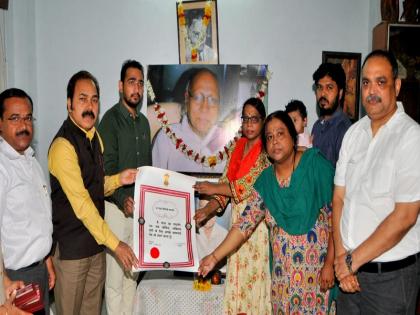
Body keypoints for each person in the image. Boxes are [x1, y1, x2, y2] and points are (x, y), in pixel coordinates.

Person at [199, 110, 336, 314]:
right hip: (282, 283)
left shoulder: (316, 166)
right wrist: (213, 257)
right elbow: (244, 226)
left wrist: (330, 264)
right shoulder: (265, 181)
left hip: (317, 279)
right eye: (269, 137)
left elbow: (336, 218)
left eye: (280, 134)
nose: (275, 142)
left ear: (293, 136)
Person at [332, 50, 420, 314]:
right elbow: (338, 199)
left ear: (397, 85)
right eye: (366, 82)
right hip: (349, 276)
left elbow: (405, 216)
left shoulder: (411, 137)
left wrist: (351, 260)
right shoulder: (353, 133)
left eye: (380, 82)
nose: (372, 90)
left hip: (390, 281)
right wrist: (341, 258)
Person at [48, 71, 139, 315]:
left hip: (95, 249)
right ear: (69, 104)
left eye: (95, 99)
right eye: (83, 99)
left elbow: (95, 186)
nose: (90, 107)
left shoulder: (94, 137)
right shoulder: (62, 147)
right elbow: (83, 204)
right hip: (72, 254)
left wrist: (120, 179)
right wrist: (116, 245)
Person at [194, 98, 271, 314]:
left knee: (253, 287)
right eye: (245, 119)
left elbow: (245, 187)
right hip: (236, 228)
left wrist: (212, 187)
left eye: (254, 119)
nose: (248, 124)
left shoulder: (267, 153)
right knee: (236, 284)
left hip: (256, 230)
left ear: (263, 122)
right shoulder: (237, 147)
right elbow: (225, 187)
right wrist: (206, 211)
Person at [98, 60, 152, 315]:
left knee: (134, 273)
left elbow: (148, 170)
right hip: (116, 212)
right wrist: (123, 199)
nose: (136, 88)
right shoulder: (109, 121)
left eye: (140, 83)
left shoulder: (143, 123)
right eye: (132, 82)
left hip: (139, 213)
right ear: (121, 86)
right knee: (115, 280)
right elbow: (105, 170)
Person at [0, 88, 55, 314]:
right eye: (14, 118)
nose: (23, 125)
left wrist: (47, 259)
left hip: (39, 271)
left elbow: (38, 218)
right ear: (0, 123)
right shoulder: (2, 168)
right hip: (16, 279)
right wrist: (3, 281)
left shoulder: (32, 162)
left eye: (27, 118)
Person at [153, 68, 226, 173]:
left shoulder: (229, 142)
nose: (204, 108)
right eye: (197, 97)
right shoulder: (166, 138)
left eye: (212, 100)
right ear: (187, 98)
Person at [312, 63, 352, 166]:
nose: (323, 94)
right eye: (319, 87)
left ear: (340, 93)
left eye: (329, 87)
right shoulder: (317, 126)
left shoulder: (344, 129)